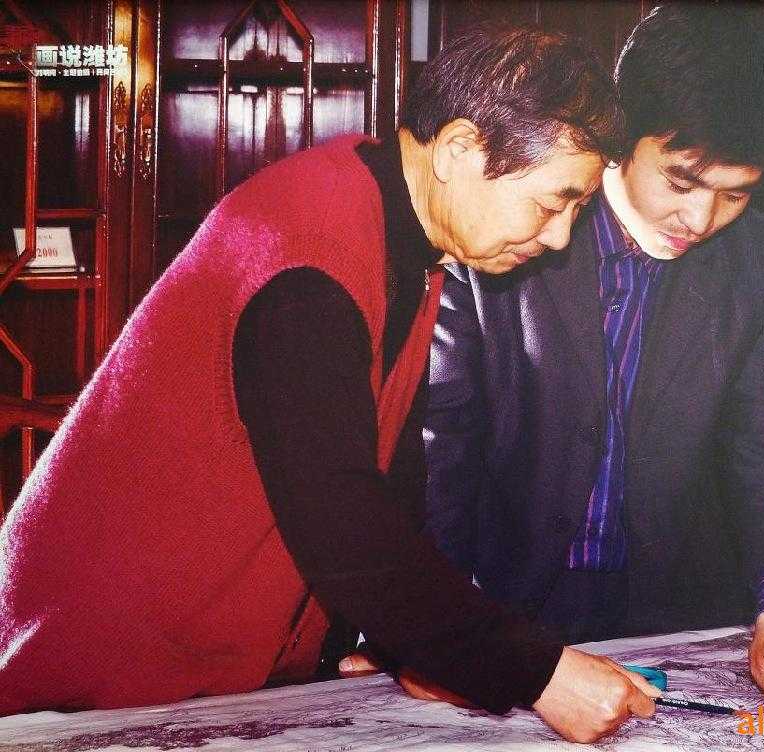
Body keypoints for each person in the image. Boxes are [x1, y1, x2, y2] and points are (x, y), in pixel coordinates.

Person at [0, 23, 657, 742]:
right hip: (97, 673)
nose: (560, 237)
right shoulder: (306, 253)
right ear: (459, 150)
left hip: (187, 662)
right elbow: (342, 516)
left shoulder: (395, 226)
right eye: (554, 203)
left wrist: (413, 646)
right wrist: (535, 672)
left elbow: (391, 478)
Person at [424, 6, 764, 715]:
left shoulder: (763, 262)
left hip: (671, 613)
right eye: (681, 183)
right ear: (622, 139)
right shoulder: (512, 225)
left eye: (735, 194)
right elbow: (443, 446)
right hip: (498, 604)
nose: (702, 220)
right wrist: (440, 629)